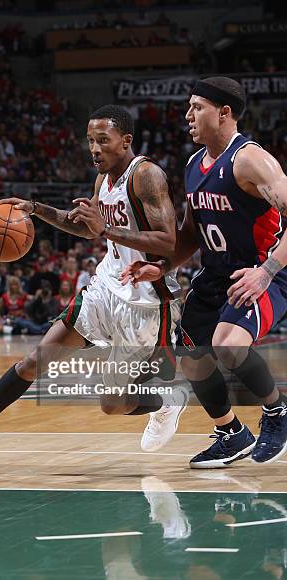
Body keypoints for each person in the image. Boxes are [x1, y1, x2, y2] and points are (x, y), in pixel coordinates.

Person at [0, 104, 187, 459]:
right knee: (35, 360)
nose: (94, 148)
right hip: (106, 288)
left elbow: (169, 243)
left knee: (114, 404)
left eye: (102, 140)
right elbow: (83, 226)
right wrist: (35, 209)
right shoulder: (103, 179)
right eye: (90, 140)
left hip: (145, 302)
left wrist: (105, 229)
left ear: (125, 141)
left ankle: (169, 403)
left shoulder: (147, 175)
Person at [121, 76, 287, 467]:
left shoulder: (250, 160)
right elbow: (192, 233)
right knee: (193, 356)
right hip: (215, 274)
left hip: (262, 270)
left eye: (197, 107)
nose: (187, 115)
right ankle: (231, 434)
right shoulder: (195, 164)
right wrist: (160, 266)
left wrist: (265, 272)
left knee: (229, 345)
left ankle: (277, 414)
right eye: (188, 107)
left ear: (224, 113)